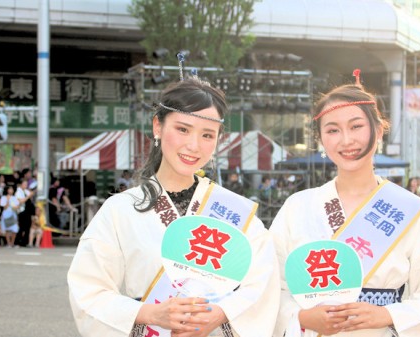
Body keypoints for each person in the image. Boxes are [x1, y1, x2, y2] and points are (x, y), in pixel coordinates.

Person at [67, 78, 279, 337]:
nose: (193, 145)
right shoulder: (120, 210)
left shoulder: (232, 211)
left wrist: (221, 314)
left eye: (207, 135)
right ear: (158, 126)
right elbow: (88, 290)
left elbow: (263, 284)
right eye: (183, 129)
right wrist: (150, 314)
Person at [270, 80, 420, 337]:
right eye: (333, 130)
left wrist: (388, 315)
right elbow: (269, 288)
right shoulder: (298, 207)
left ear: (379, 131)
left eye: (356, 126)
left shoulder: (410, 211)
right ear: (320, 139)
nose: (346, 140)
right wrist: (302, 317)